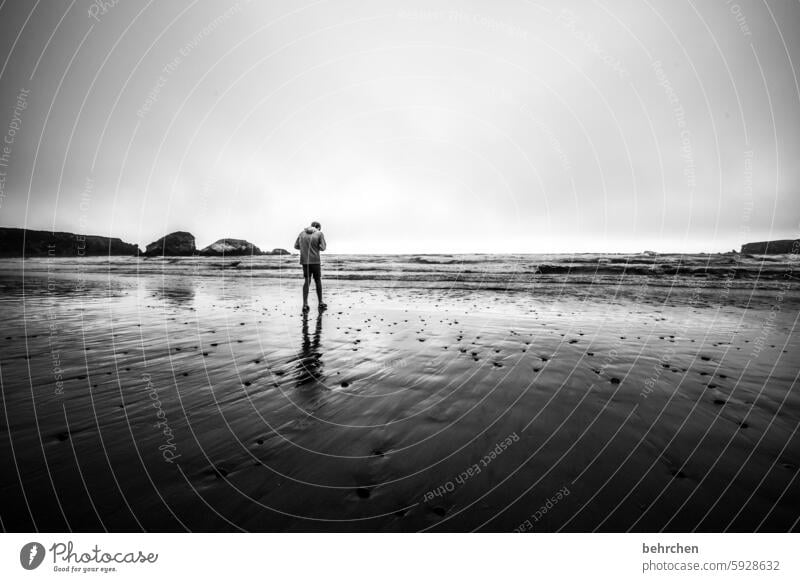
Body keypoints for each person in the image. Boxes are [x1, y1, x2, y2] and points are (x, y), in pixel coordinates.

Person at [294, 221, 327, 312]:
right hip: (315, 260)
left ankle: (305, 304)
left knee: (307, 281)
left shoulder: (302, 233)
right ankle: (320, 302)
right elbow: (323, 248)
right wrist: (316, 247)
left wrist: (305, 248)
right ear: (318, 227)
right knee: (317, 281)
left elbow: (296, 246)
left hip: (305, 261)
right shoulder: (319, 233)